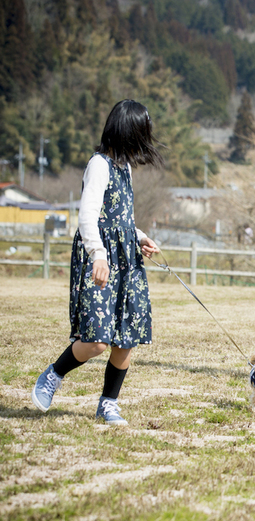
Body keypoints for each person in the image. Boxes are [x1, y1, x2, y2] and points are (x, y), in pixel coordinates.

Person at [31, 99, 164, 424]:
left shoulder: (125, 168)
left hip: (126, 259)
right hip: (100, 259)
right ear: (127, 131)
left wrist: (140, 237)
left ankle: (108, 402)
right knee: (97, 340)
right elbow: (88, 216)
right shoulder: (100, 165)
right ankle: (53, 374)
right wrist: (98, 255)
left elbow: (121, 218)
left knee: (126, 336)